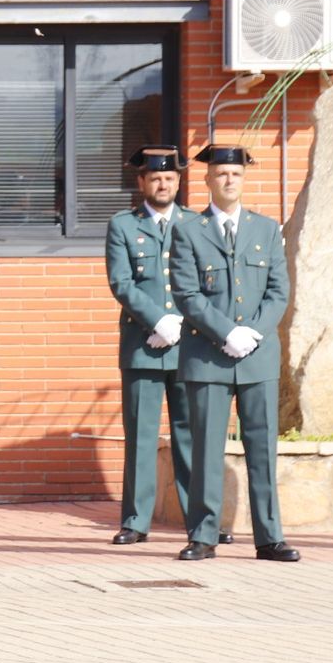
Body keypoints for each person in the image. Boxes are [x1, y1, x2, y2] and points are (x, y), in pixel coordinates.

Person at [169, 144, 298, 562]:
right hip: (208, 355)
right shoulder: (188, 230)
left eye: (236, 175)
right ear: (207, 180)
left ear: (244, 180)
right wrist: (226, 332)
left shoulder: (266, 229)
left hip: (257, 355)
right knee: (207, 449)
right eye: (221, 174)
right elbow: (187, 293)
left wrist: (253, 332)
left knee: (262, 448)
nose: (229, 181)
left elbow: (279, 290)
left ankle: (269, 537)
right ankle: (204, 536)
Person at [105, 145, 224, 545]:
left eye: (170, 179)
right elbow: (122, 283)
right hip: (143, 343)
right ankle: (136, 521)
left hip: (190, 344)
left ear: (179, 182)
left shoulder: (196, 223)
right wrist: (157, 319)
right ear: (142, 182)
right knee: (140, 435)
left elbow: (207, 284)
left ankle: (200, 523)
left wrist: (184, 321)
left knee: (189, 434)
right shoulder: (123, 225)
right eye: (155, 178)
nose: (163, 184)